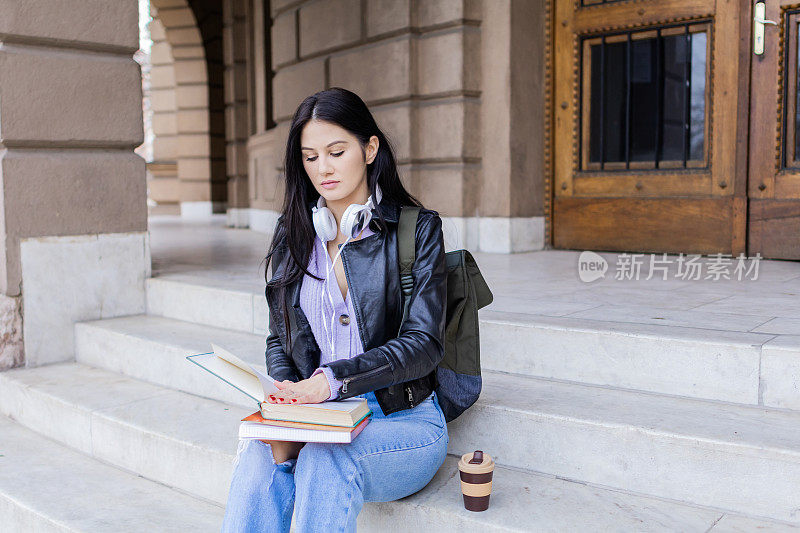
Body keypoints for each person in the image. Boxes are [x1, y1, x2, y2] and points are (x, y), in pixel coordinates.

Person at [220, 87, 449, 533]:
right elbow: (279, 337)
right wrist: (286, 396)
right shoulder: (295, 234)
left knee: (327, 455)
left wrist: (331, 381)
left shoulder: (417, 230)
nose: (322, 168)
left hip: (402, 417)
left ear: (369, 148)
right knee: (260, 451)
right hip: (316, 410)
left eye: (336, 151)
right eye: (309, 157)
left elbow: (424, 344)